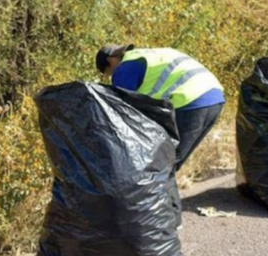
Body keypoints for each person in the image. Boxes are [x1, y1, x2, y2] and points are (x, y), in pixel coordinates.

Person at [96, 44, 226, 223]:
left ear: (111, 60)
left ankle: (170, 222)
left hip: (190, 102)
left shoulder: (125, 69)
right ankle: (165, 219)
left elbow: (122, 112)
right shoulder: (149, 56)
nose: (112, 77)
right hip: (214, 97)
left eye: (108, 72)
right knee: (170, 161)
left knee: (164, 162)